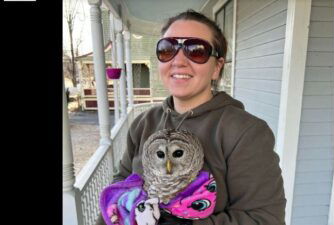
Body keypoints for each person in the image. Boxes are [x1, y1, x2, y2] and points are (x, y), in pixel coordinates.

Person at [98, 9, 286, 225]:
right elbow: (121, 185)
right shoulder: (143, 123)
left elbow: (265, 219)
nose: (178, 61)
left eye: (196, 50)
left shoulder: (246, 132)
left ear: (217, 67)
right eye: (168, 49)